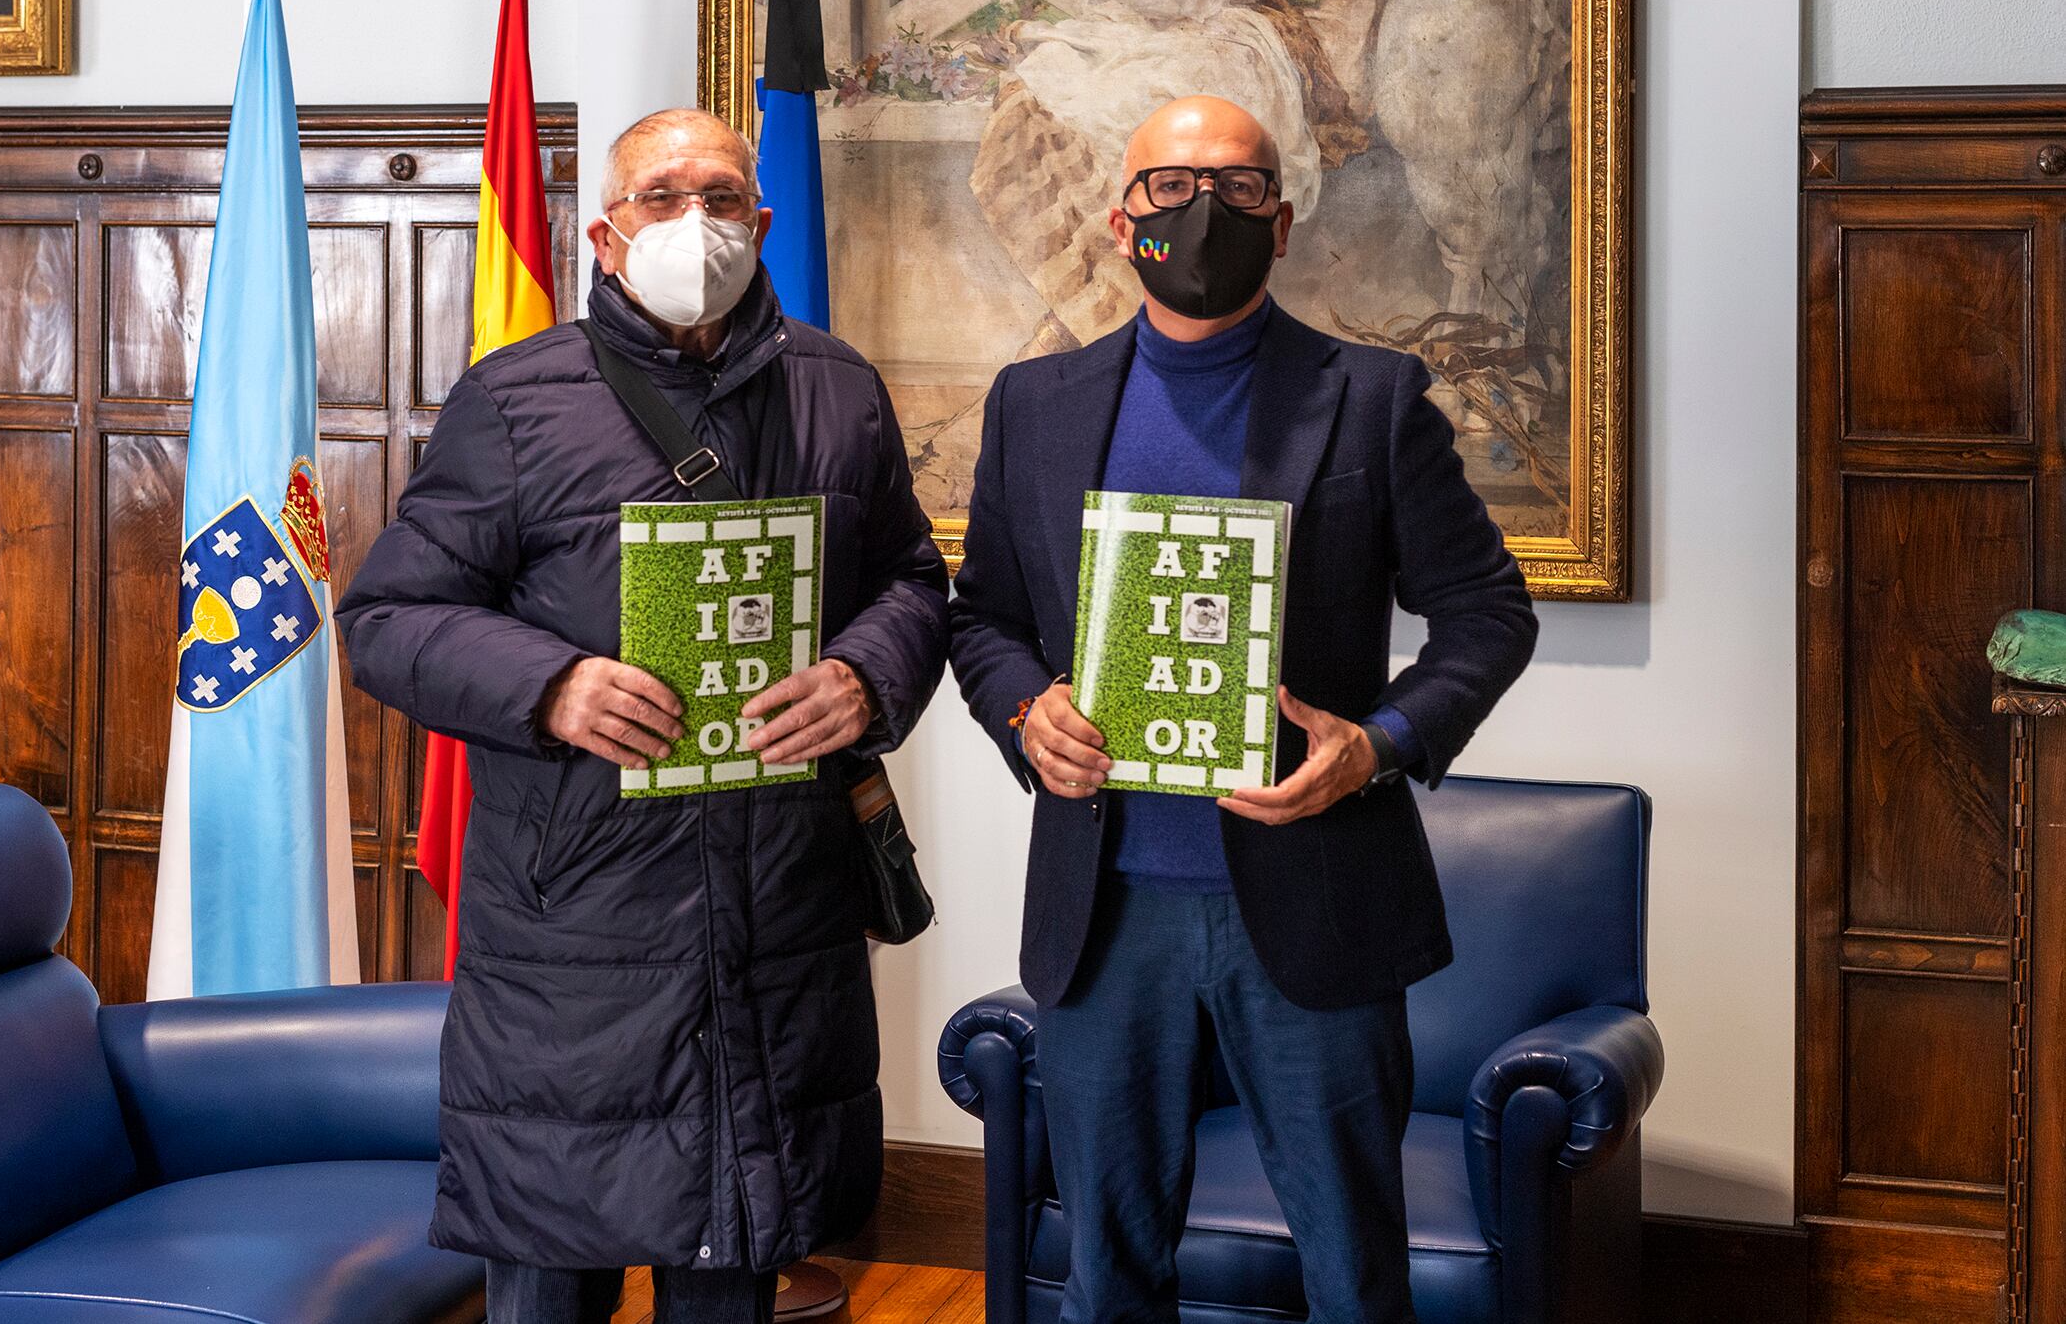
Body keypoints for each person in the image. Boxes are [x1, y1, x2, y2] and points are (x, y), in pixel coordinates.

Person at [337, 108, 950, 1324]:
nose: (694, 223)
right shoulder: (515, 402)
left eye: (720, 197)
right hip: (575, 941)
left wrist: (865, 676)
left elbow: (911, 582)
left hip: (778, 921)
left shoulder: (838, 389)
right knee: (546, 1289)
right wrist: (548, 686)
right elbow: (390, 618)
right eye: (660, 198)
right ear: (606, 239)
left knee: (731, 1277)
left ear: (762, 224)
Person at [947, 94, 1536, 1323]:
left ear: (1281, 221)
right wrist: (1022, 713)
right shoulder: (1035, 404)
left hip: (1313, 897)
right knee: (1107, 1274)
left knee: (1352, 1272)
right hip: (1104, 914)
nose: (1200, 209)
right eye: (1169, 185)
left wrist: (1377, 745)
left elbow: (1486, 613)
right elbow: (982, 618)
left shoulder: (1371, 398)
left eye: (1238, 185)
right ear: (1122, 220)